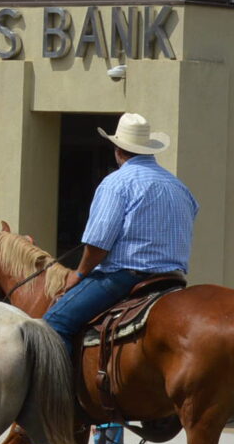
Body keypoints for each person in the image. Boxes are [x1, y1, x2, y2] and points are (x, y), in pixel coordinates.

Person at [43, 113, 197, 362]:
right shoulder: (178, 186)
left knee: (54, 323)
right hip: (173, 279)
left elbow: (98, 244)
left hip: (125, 277)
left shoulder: (116, 183)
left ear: (118, 149)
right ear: (148, 149)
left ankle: (60, 398)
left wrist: (78, 273)